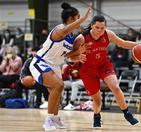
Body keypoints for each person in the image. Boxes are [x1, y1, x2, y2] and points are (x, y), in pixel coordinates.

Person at [29, 2, 91, 131]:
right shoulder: (59, 30)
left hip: (55, 65)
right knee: (58, 85)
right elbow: (65, 30)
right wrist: (83, 19)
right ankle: (48, 121)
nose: (80, 21)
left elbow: (68, 57)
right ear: (71, 18)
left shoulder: (70, 37)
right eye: (77, 18)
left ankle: (56, 119)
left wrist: (78, 54)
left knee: (58, 94)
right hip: (41, 62)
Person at [72, 15, 141, 128]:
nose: (100, 30)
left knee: (115, 87)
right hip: (87, 70)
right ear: (91, 26)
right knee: (97, 100)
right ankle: (97, 116)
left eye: (102, 28)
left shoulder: (108, 34)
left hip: (103, 65)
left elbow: (123, 43)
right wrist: (78, 56)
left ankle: (127, 113)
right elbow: (70, 57)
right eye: (97, 27)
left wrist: (139, 44)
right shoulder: (81, 38)